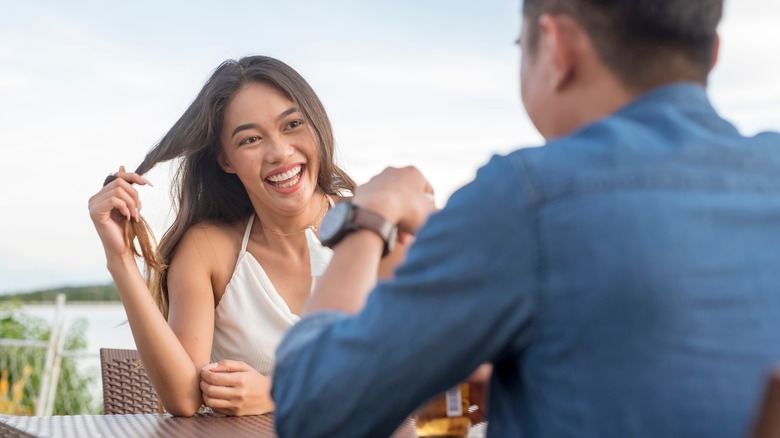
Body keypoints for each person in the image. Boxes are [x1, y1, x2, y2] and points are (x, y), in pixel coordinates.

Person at [271, 0, 780, 437]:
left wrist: (368, 219)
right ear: (711, 54)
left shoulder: (528, 198)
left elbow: (312, 410)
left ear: (556, 47)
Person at [88, 56, 400, 417]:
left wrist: (279, 392)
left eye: (293, 124)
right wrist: (121, 259)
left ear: (316, 126)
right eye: (251, 139)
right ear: (226, 160)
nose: (280, 152)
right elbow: (184, 399)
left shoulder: (374, 225)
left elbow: (418, 366)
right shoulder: (209, 249)